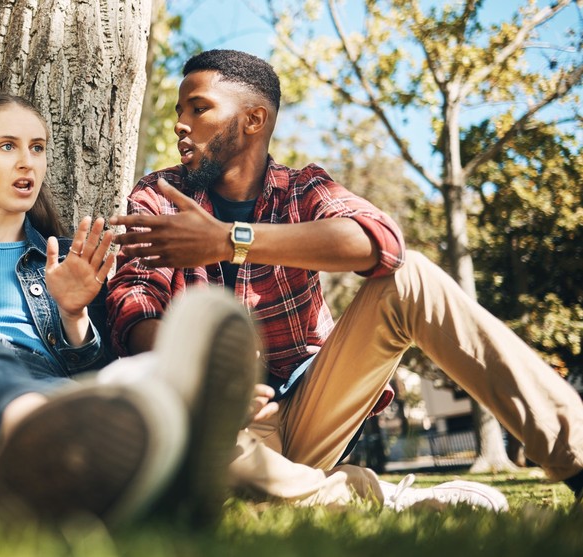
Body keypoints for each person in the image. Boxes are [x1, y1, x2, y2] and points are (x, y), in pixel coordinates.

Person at [106, 49, 583, 508]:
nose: (180, 125)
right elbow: (134, 301)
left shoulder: (302, 188)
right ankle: (382, 498)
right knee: (206, 466)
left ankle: (577, 456)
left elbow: (382, 244)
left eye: (199, 108)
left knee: (409, 277)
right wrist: (202, 376)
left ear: (254, 120)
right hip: (219, 428)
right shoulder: (159, 196)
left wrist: (232, 239)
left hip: (313, 407)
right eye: (178, 110)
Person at [0, 92, 260, 524]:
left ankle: (36, 476)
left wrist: (75, 316)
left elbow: (99, 370)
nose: (27, 162)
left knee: (129, 377)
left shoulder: (72, 260)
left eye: (37, 148)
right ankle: (77, 448)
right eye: (7, 146)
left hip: (45, 395)